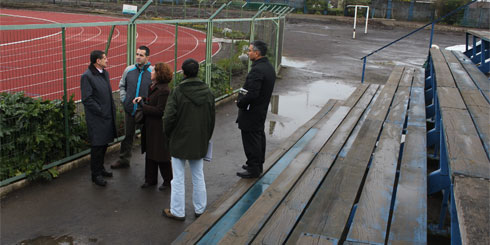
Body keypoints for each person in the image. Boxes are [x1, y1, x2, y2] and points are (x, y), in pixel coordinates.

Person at [162, 58, 215, 221]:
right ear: (197, 71)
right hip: (199, 140)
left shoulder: (177, 91)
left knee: (177, 177)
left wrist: (168, 135)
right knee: (198, 175)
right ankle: (200, 209)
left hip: (179, 140)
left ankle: (178, 211)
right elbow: (211, 119)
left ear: (183, 72)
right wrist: (205, 137)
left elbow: (168, 117)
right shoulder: (208, 91)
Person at [236, 40, 276, 178]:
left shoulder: (257, 69)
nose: (248, 52)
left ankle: (253, 168)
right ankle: (256, 164)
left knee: (251, 139)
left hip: (252, 112)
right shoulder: (268, 67)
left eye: (250, 50)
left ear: (257, 53)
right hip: (260, 110)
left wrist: (240, 103)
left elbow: (252, 93)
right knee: (258, 136)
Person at [133, 63, 173, 190]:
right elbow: (153, 101)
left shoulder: (164, 90)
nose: (151, 72)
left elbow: (160, 110)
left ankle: (168, 181)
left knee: (161, 154)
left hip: (158, 127)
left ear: (159, 74)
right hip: (151, 126)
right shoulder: (154, 87)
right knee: (151, 152)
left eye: (154, 70)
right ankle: (150, 179)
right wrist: (143, 99)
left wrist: (143, 106)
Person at [112, 46, 153, 169]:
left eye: (141, 55)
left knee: (148, 137)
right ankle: (124, 159)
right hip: (130, 110)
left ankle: (151, 162)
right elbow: (122, 85)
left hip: (144, 111)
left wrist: (148, 105)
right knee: (128, 135)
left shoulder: (152, 72)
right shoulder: (128, 70)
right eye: (137, 54)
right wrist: (124, 99)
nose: (138, 57)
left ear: (147, 57)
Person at [80, 50, 117, 187]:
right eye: (105, 58)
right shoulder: (87, 76)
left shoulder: (104, 73)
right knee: (97, 146)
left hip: (106, 116)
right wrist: (100, 110)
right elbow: (87, 98)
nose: (107, 60)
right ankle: (95, 174)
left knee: (104, 144)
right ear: (97, 61)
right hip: (97, 118)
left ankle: (100, 168)